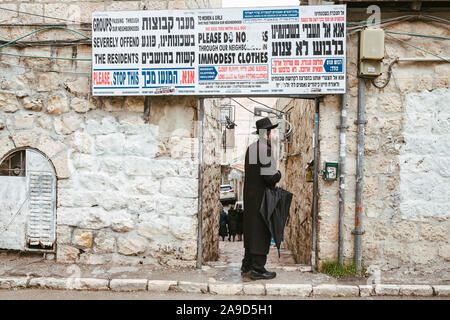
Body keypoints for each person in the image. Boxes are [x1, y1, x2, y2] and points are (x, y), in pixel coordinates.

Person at [241, 117, 281, 281]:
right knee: (260, 231)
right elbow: (269, 177)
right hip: (262, 199)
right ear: (267, 133)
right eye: (272, 132)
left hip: (250, 197)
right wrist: (279, 174)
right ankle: (258, 269)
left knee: (251, 230)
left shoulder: (252, 148)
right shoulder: (265, 149)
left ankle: (247, 264)